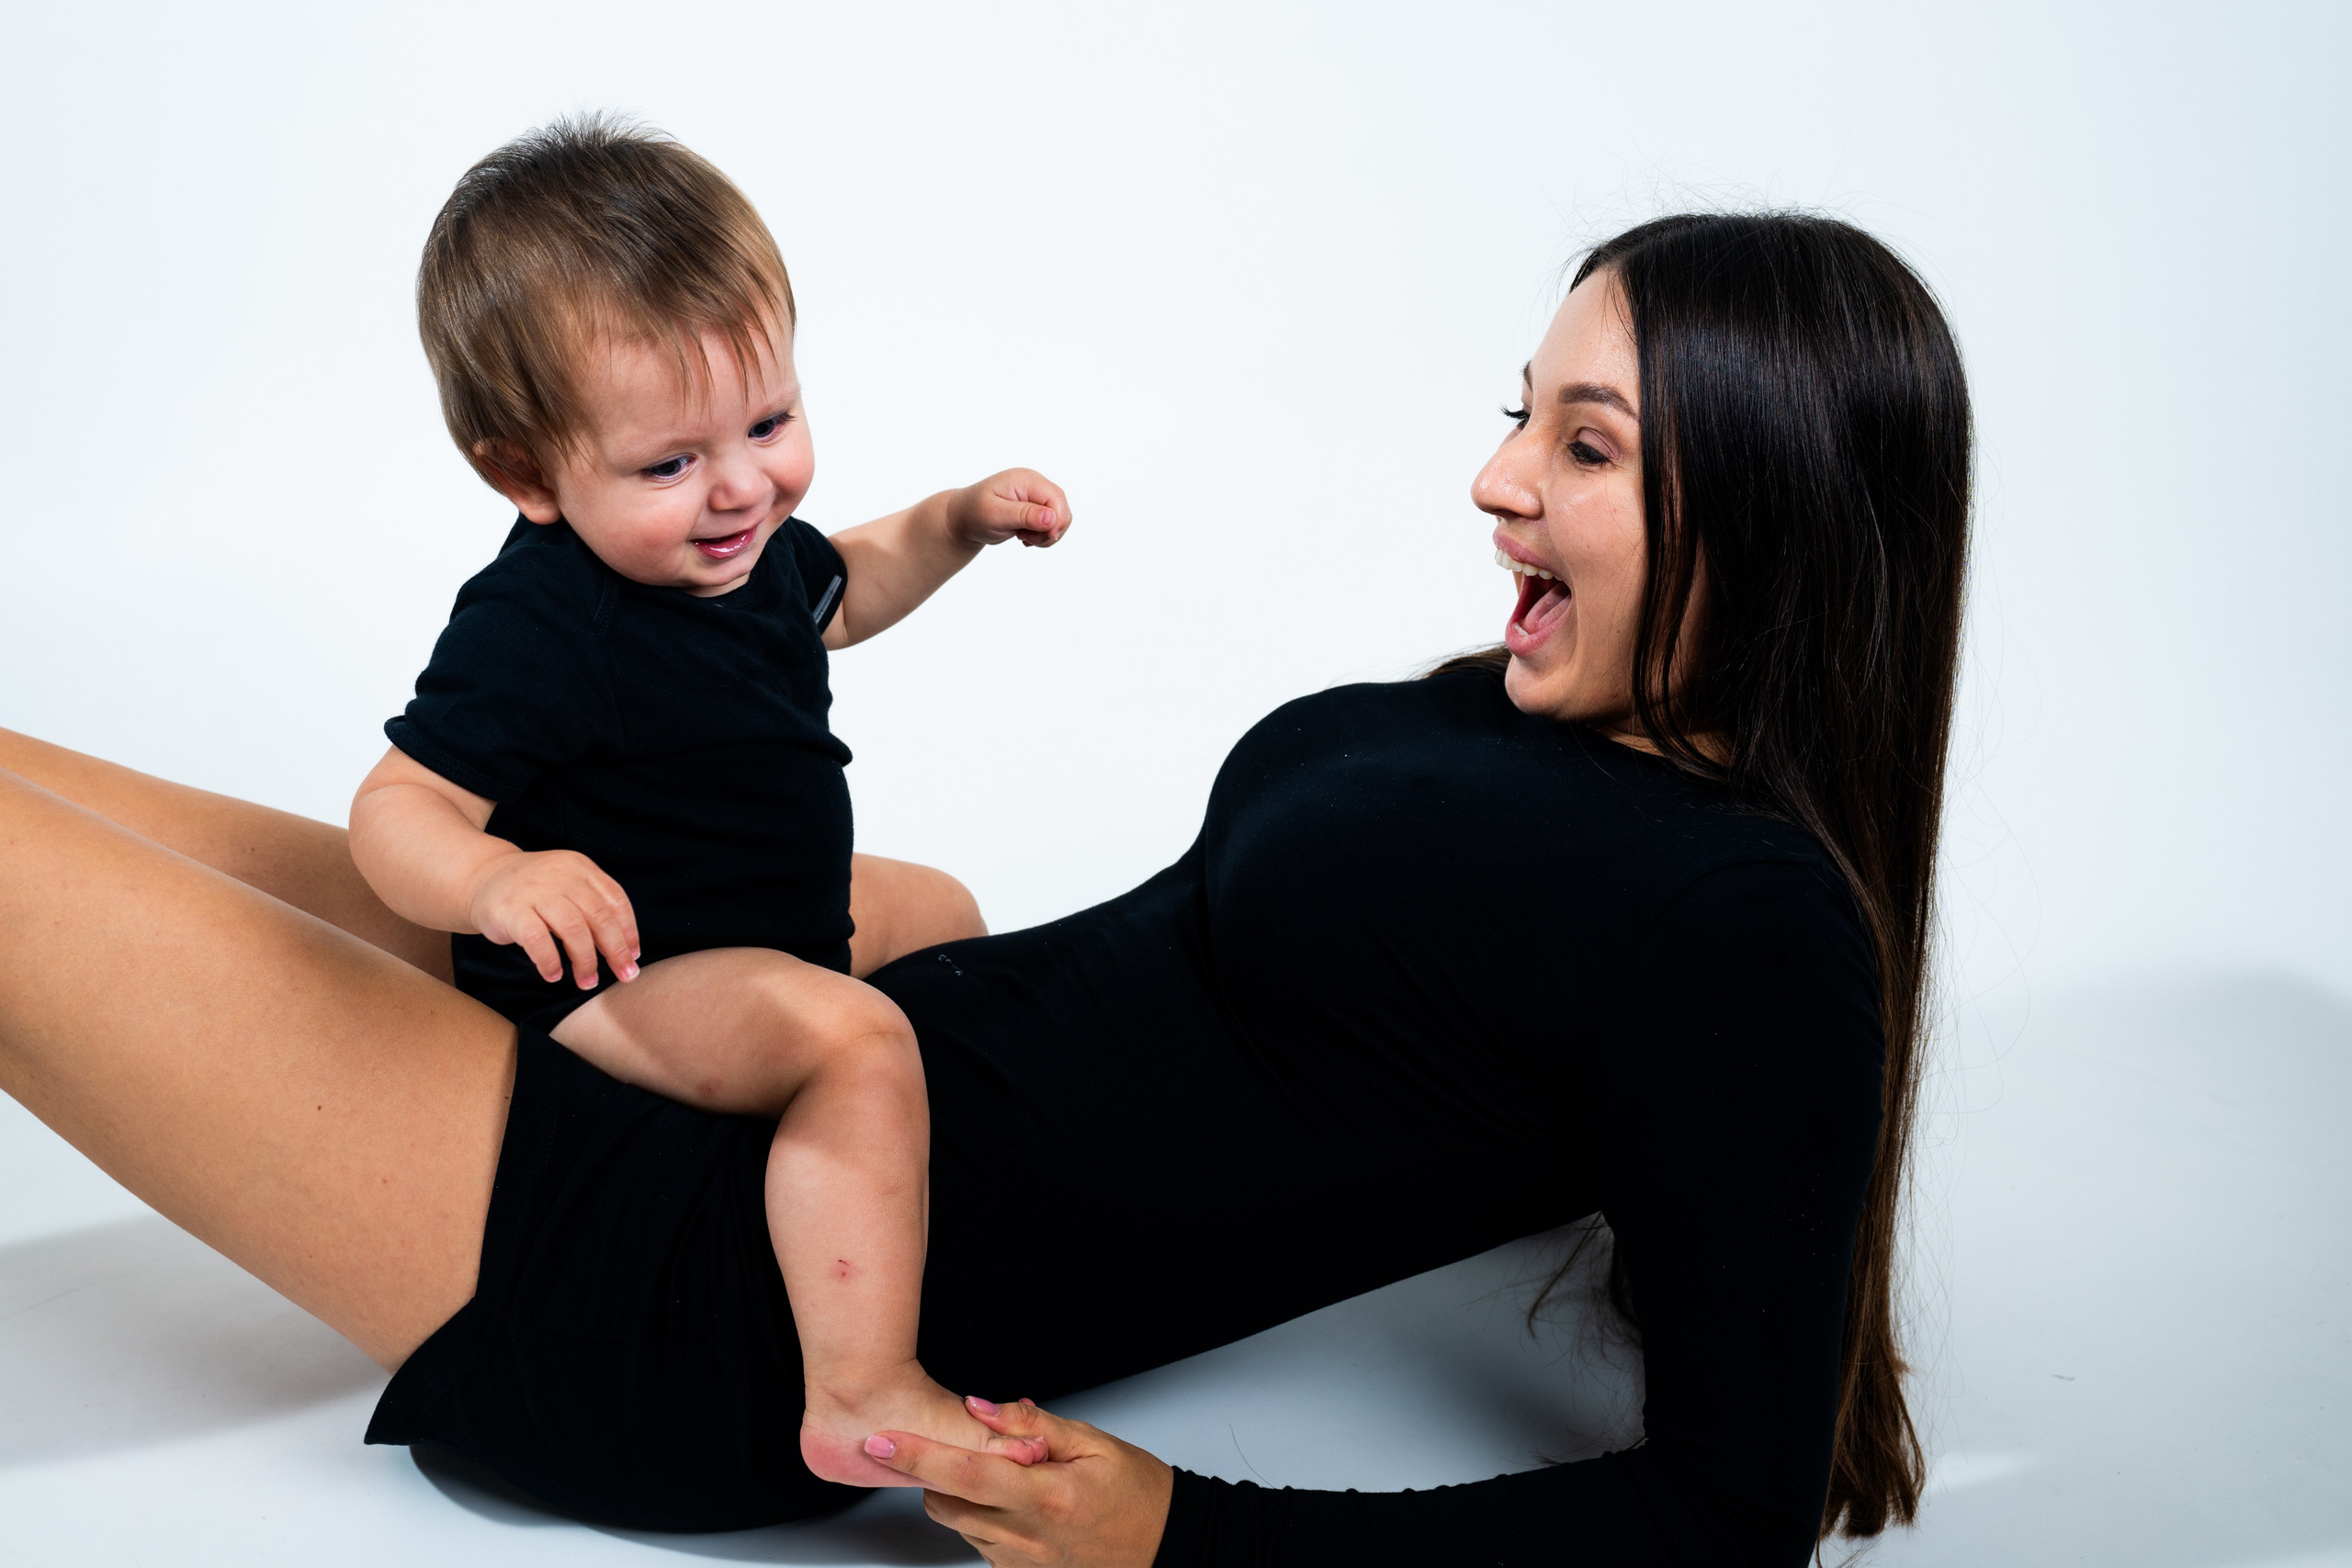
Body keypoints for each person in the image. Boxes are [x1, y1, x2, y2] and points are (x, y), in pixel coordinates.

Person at [0, 209, 1971, 1565]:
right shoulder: (1557, 711)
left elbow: (1728, 1508)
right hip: (759, 1062)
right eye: (1517, 409)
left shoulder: (1747, 930)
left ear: (1778, 512)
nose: (1493, 478)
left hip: (697, 1291)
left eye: (1586, 443)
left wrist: (1186, 1531)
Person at [344, 116, 1069, 1486]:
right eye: (670, 464)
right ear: (523, 473)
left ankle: (892, 1187)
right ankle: (859, 1385)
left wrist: (958, 523)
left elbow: (842, 586)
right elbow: (398, 805)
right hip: (622, 974)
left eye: (771, 422)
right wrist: (499, 881)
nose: (741, 487)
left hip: (755, 921)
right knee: (850, 1035)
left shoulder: (740, 550)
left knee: (943, 914)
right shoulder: (547, 621)